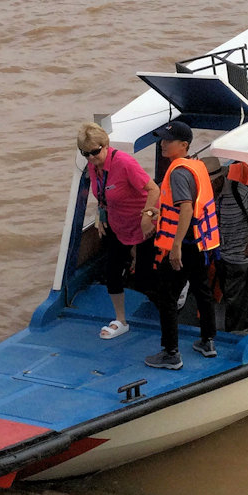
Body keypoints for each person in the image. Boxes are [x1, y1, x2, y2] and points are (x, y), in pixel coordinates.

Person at [144, 122, 220, 373]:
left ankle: (171, 353)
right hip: (200, 241)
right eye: (163, 139)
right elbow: (183, 208)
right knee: (202, 290)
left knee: (166, 297)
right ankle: (208, 341)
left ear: (184, 145)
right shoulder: (196, 166)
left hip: (183, 244)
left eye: (168, 140)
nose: (163, 143)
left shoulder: (177, 172)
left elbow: (186, 207)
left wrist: (175, 247)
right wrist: (160, 212)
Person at [76, 124, 160, 340]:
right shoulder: (93, 167)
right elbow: (102, 195)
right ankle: (120, 320)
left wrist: (147, 217)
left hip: (142, 224)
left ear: (106, 146)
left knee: (144, 278)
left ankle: (177, 289)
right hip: (117, 225)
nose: (91, 157)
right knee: (112, 272)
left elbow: (154, 189)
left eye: (95, 152)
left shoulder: (124, 163)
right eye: (85, 154)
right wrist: (99, 217)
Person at [217, 161, 248, 334]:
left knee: (236, 296)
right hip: (220, 253)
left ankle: (234, 332)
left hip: (241, 253)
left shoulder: (239, 191)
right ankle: (241, 326)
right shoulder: (207, 193)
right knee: (230, 294)